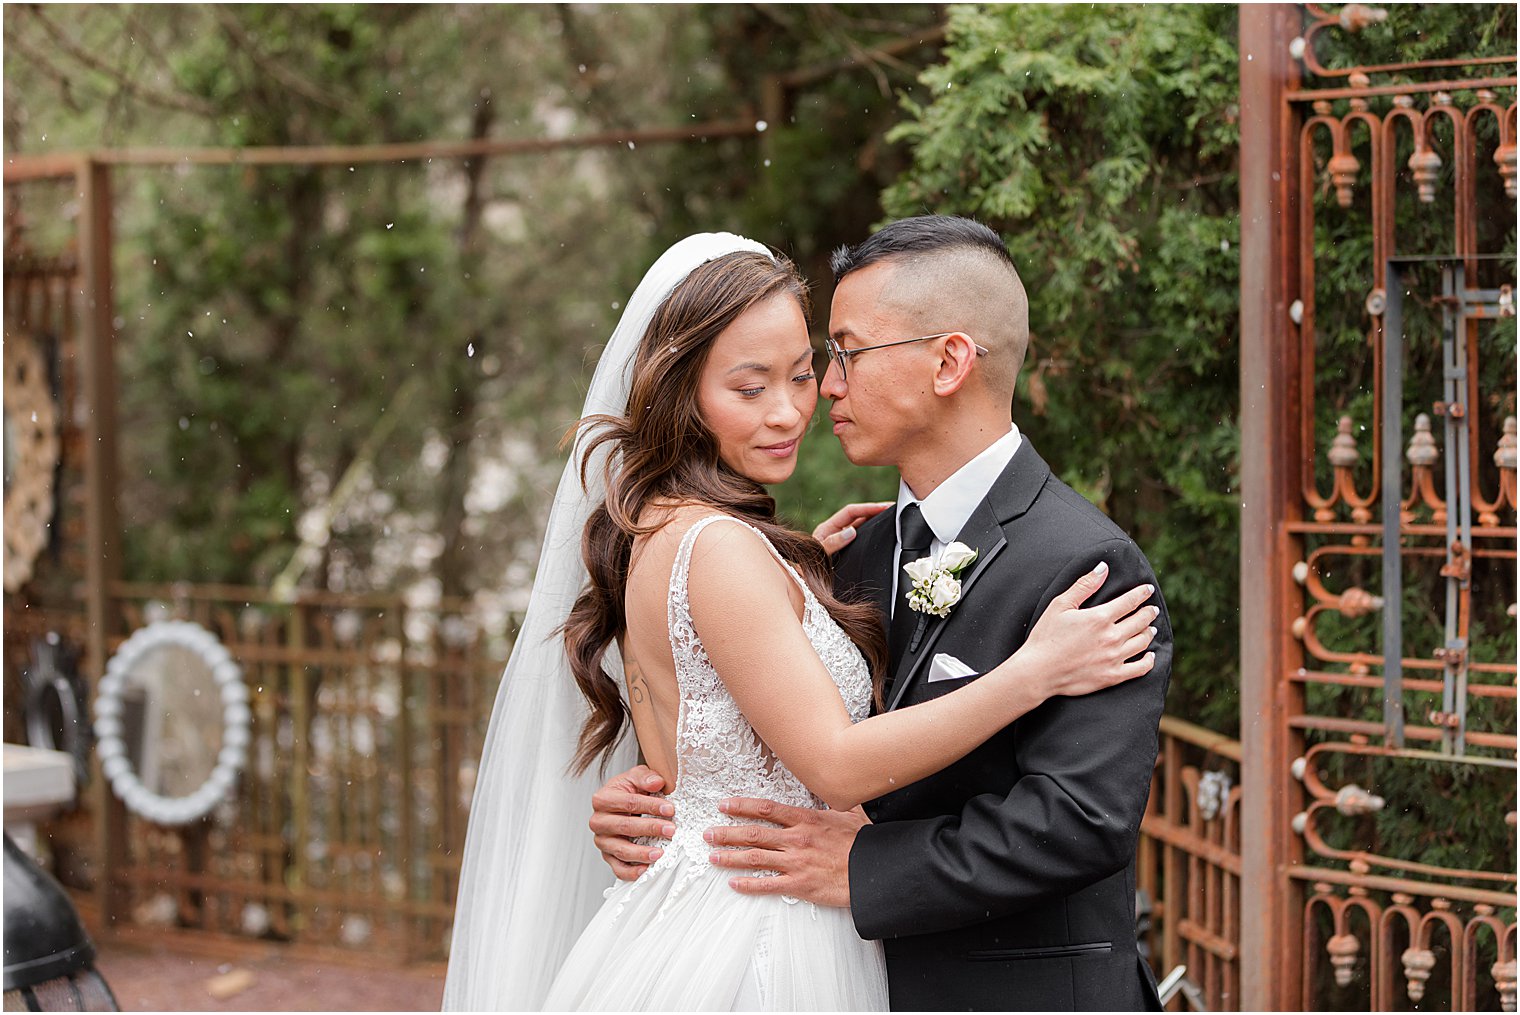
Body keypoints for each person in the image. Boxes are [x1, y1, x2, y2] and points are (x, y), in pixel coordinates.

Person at [443, 231, 1159, 1011]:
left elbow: (1080, 821)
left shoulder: (1085, 566)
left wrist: (866, 868)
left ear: (950, 363)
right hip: (780, 956)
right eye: (772, 378)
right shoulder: (847, 555)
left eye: (835, 358)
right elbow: (766, 730)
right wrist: (658, 800)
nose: (820, 391)